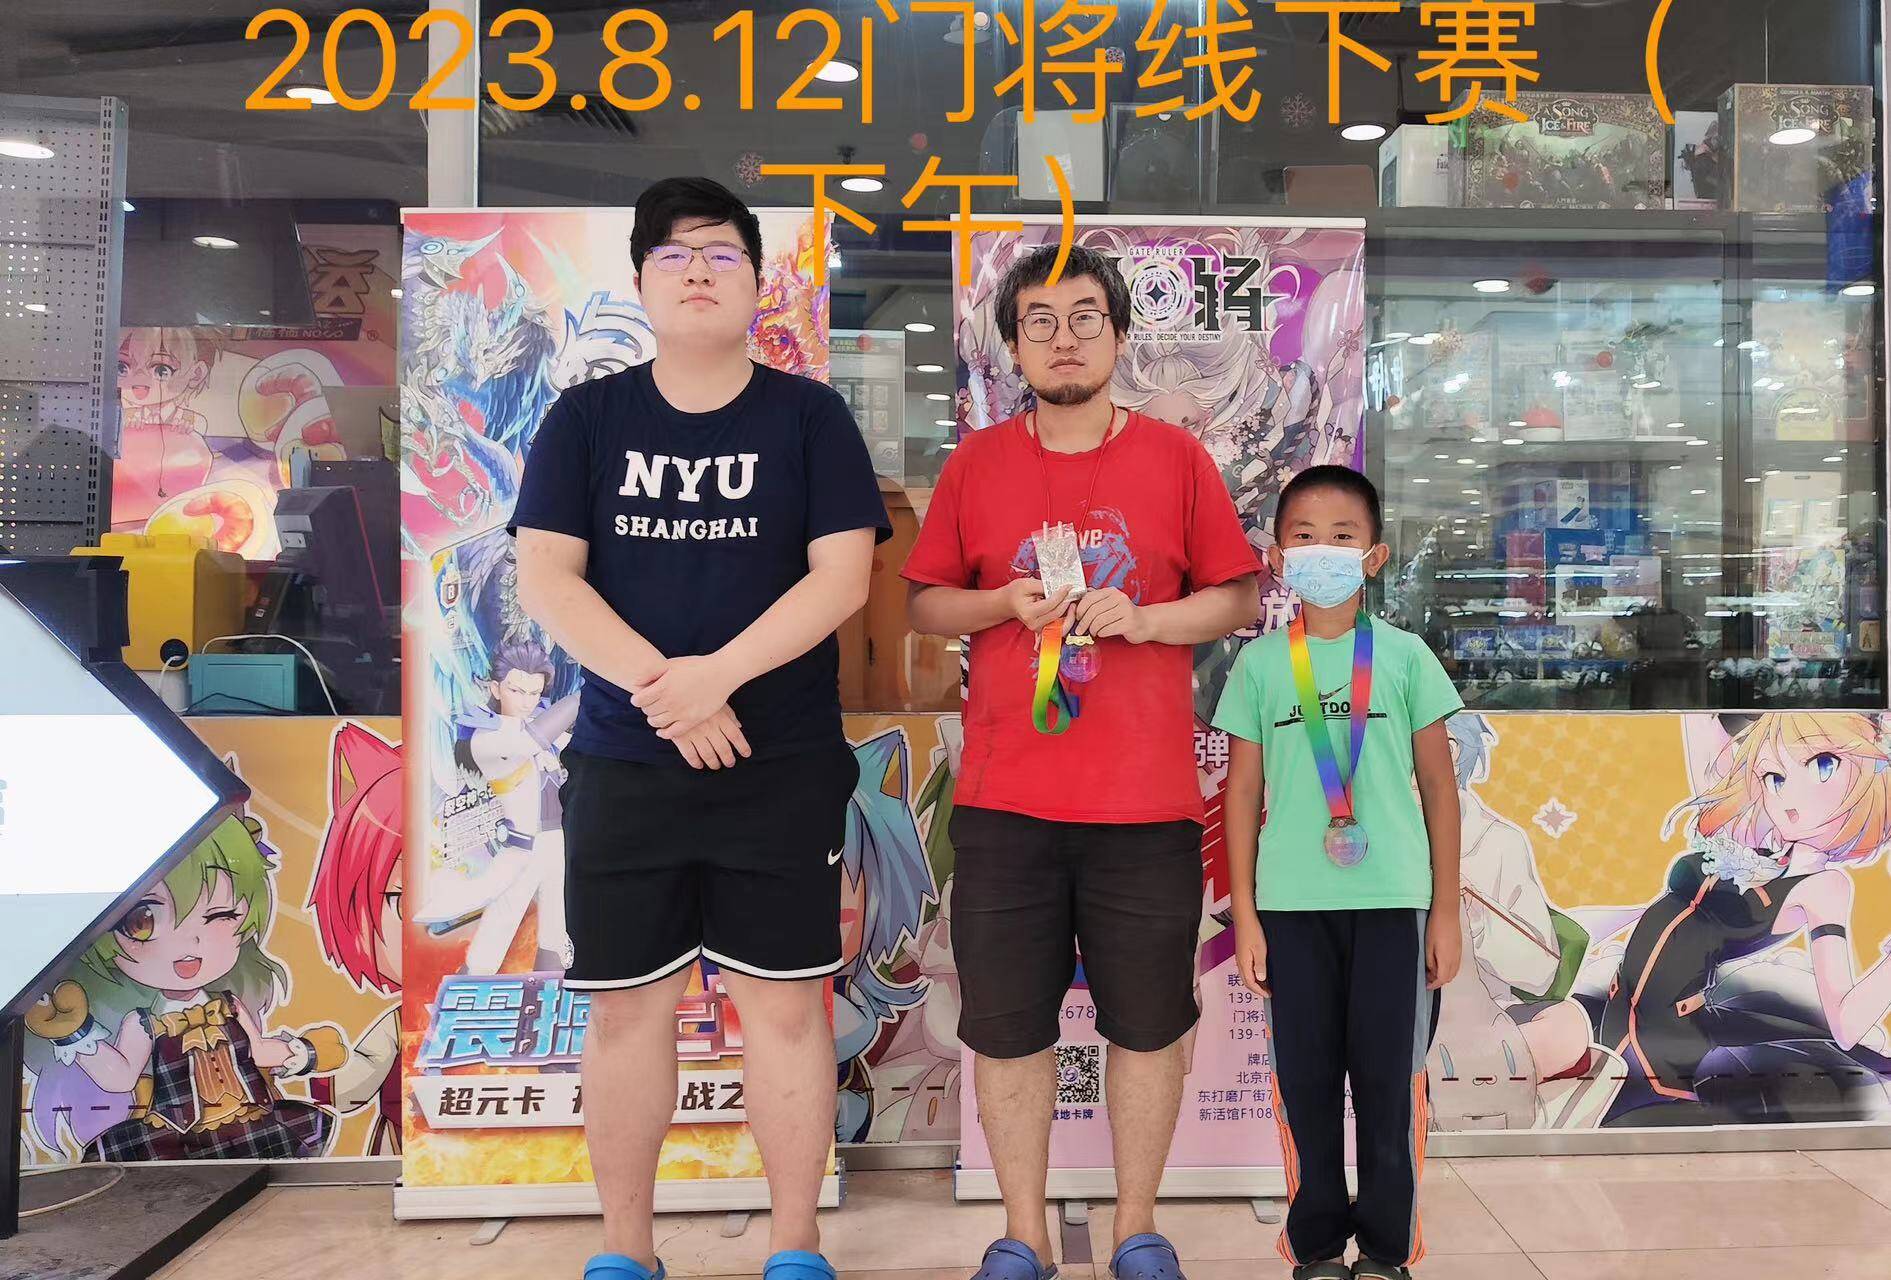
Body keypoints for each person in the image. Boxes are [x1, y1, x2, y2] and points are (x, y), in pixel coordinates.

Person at [510, 176, 890, 1280]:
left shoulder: (808, 417)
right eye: (673, 255)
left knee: (788, 1013)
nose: (696, 272)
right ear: (639, 281)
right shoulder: (586, 419)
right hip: (626, 764)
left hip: (780, 765)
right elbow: (547, 577)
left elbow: (843, 577)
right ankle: (625, 1251)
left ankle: (794, 1247)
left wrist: (715, 677)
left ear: (756, 282)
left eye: (721, 253)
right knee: (627, 1017)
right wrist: (662, 690)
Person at [905, 244, 1261, 1280]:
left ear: (1117, 335)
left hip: (1144, 804)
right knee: (1009, 1028)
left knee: (1146, 1026)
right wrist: (999, 603)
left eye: (1084, 318)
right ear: (1012, 344)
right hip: (1005, 801)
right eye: (1041, 321)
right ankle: (1021, 1234)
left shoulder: (1175, 458)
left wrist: (1145, 619)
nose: (1063, 338)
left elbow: (1236, 596)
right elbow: (925, 604)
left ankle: (1134, 1229)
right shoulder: (976, 464)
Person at [1213, 466, 1463, 1280]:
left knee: (1390, 1086)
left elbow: (1439, 789)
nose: (1322, 551)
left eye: (1342, 537)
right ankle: (1316, 1246)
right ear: (1277, 558)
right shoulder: (1258, 666)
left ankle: (1387, 1250)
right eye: (1304, 537)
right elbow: (1240, 793)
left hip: (1394, 904)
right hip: (1291, 907)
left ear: (1374, 556)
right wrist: (1246, 915)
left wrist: (1445, 912)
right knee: (1307, 1084)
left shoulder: (1405, 658)